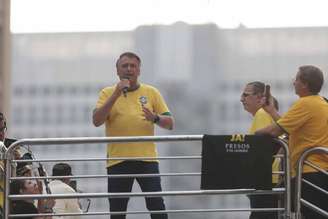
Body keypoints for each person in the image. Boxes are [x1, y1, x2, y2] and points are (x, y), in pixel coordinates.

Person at [93, 52, 174, 219]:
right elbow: (96, 120)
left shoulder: (151, 92)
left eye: (133, 66)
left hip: (147, 159)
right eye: (124, 66)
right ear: (117, 70)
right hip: (118, 160)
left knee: (156, 205)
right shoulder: (107, 93)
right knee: (117, 209)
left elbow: (170, 123)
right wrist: (116, 94)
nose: (129, 69)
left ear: (139, 70)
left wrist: (155, 118)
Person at [255, 65, 328, 219]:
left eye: (296, 79)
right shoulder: (321, 102)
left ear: (305, 84)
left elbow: (275, 131)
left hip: (310, 172)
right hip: (320, 172)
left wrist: (256, 135)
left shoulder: (305, 103)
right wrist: (272, 112)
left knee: (270, 208)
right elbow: (289, 127)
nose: (293, 82)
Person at [241, 81, 280, 219]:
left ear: (259, 97)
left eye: (245, 95)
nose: (241, 99)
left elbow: (263, 149)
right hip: (267, 180)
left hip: (265, 181)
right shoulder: (262, 114)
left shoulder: (262, 114)